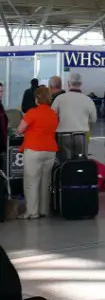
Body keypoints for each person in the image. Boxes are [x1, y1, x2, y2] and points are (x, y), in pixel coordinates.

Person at [16, 86, 57, 220]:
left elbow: (20, 130)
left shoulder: (32, 112)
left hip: (34, 150)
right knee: (45, 182)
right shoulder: (53, 114)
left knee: (31, 182)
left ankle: (32, 212)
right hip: (50, 151)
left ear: (36, 99)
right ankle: (44, 210)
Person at [51, 73, 97, 156]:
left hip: (63, 136)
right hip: (82, 136)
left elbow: (51, 116)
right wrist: (87, 129)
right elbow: (93, 120)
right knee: (80, 162)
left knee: (64, 162)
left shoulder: (60, 98)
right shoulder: (88, 100)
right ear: (81, 84)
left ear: (69, 83)